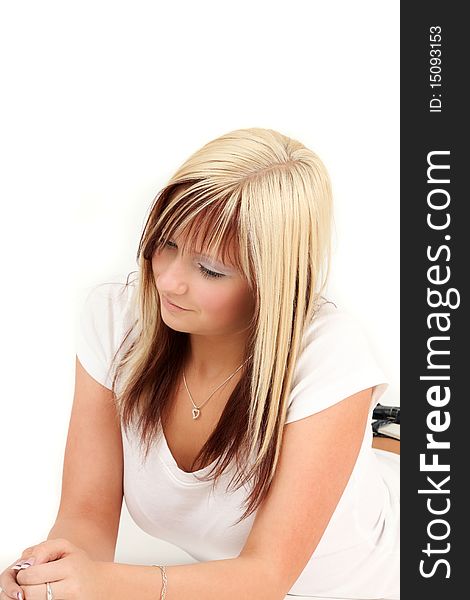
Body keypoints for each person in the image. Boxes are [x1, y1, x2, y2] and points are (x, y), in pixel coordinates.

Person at [0, 127, 399, 600]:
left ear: (271, 282)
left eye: (209, 269)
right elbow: (86, 515)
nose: (168, 281)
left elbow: (266, 577)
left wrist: (106, 585)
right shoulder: (117, 320)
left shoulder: (330, 354)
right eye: (166, 244)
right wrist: (50, 574)